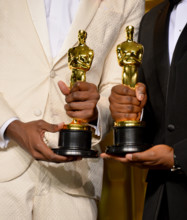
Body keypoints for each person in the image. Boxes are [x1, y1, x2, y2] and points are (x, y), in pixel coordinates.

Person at [0, 0, 144, 219]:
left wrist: (95, 112)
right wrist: (10, 125)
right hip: (5, 165)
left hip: (75, 177)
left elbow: (117, 87)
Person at [101, 0, 187, 219]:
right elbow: (164, 118)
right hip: (160, 201)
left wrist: (178, 157)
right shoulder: (150, 19)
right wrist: (134, 112)